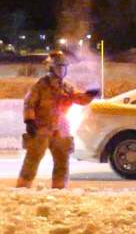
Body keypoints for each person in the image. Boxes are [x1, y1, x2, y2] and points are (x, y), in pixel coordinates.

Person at [17, 51, 99, 189]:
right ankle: (22, 188)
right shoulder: (40, 86)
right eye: (59, 67)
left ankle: (59, 189)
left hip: (61, 129)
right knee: (32, 160)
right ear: (51, 68)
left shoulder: (66, 87)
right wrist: (29, 121)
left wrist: (90, 94)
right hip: (41, 128)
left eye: (64, 67)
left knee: (62, 161)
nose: (62, 70)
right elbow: (29, 103)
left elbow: (78, 98)